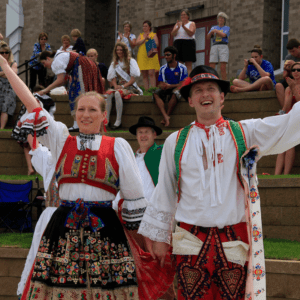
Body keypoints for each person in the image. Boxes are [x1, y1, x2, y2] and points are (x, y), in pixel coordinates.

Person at [137, 64, 300, 299]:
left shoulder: (244, 133)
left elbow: (286, 126)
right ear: (190, 100)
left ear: (222, 97)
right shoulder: (175, 141)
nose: (205, 94)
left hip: (233, 240)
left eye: (211, 89)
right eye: (198, 90)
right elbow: (164, 191)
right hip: (189, 240)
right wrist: (160, 238)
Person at [17, 137, 59, 298]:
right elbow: (36, 147)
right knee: (40, 254)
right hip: (50, 218)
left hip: (69, 218)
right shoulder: (50, 162)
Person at [38, 50, 104, 131]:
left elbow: (60, 80)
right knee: (78, 95)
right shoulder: (60, 55)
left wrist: (45, 90)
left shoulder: (56, 61)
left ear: (48, 58)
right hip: (83, 66)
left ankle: (81, 125)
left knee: (79, 96)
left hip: (82, 67)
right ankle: (80, 124)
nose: (44, 66)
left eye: (44, 63)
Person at [12, 85, 55, 175]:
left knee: (27, 147)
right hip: (42, 127)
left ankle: (30, 168)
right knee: (41, 148)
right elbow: (51, 114)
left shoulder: (30, 99)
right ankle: (42, 168)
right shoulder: (49, 101)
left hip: (28, 127)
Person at [107, 42, 143, 130]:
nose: (119, 51)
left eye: (121, 50)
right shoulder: (114, 63)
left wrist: (122, 87)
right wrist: (115, 85)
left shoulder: (131, 61)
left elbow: (133, 79)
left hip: (130, 86)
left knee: (117, 94)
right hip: (119, 86)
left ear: (124, 51)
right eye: (117, 50)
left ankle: (118, 121)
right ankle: (106, 121)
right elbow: (113, 78)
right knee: (109, 93)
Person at [275, 62, 300, 175]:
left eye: (299, 70)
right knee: (282, 143)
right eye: (294, 70)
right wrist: (281, 114)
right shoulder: (289, 87)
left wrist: (294, 88)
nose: (296, 72)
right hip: (292, 116)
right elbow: (286, 107)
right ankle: (277, 175)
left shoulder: (294, 86)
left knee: (289, 143)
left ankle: (285, 175)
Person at [153, 46, 188, 127]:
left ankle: (166, 116)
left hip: (177, 87)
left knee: (176, 92)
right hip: (167, 88)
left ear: (174, 55)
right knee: (155, 93)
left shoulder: (183, 67)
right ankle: (165, 116)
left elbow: (183, 84)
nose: (166, 57)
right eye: (165, 55)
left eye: (168, 55)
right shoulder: (163, 68)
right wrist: (163, 86)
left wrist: (170, 86)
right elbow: (161, 83)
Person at [275, 39, 300, 109]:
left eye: (293, 51)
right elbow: (284, 76)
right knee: (278, 85)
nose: (292, 53)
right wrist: (287, 70)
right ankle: (285, 110)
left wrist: (294, 64)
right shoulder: (288, 57)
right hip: (292, 78)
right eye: (290, 52)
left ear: (299, 47)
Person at [136, 20, 160, 90]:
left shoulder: (153, 34)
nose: (144, 27)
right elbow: (137, 43)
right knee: (144, 75)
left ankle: (153, 90)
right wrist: (144, 39)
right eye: (143, 26)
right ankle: (146, 91)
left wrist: (149, 39)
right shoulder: (140, 35)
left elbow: (157, 44)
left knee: (151, 73)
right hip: (142, 56)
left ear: (149, 27)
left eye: (146, 26)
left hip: (151, 56)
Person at [171, 9, 196, 75]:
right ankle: (179, 81)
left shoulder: (191, 23)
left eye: (184, 14)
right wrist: (178, 27)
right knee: (179, 64)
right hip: (178, 44)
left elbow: (191, 33)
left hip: (188, 43)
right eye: (182, 15)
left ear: (188, 16)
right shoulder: (177, 24)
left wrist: (183, 26)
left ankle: (188, 81)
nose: (183, 16)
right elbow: (172, 34)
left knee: (188, 64)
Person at [207, 12, 230, 80]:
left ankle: (224, 82)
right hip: (214, 45)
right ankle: (212, 81)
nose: (220, 19)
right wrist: (211, 32)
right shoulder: (213, 27)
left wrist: (216, 31)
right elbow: (208, 37)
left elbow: (224, 35)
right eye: (219, 18)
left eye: (222, 18)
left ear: (224, 20)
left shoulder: (227, 28)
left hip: (223, 45)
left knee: (223, 67)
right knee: (212, 65)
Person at [0, 44, 17, 129]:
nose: (4, 54)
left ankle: (1, 128)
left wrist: (2, 73)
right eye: (2, 52)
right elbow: (9, 73)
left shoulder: (13, 63)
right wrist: (7, 72)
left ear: (9, 53)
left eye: (6, 52)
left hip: (9, 88)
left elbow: (13, 74)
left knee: (5, 107)